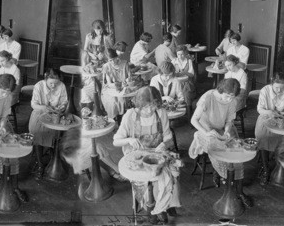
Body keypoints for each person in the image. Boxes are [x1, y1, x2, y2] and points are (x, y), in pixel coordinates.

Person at [113, 86, 181, 224]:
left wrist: (165, 144)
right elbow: (116, 141)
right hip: (137, 158)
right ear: (139, 104)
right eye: (145, 107)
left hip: (157, 154)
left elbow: (168, 137)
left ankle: (163, 206)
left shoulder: (161, 113)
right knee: (145, 180)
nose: (150, 110)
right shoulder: (130, 115)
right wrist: (129, 140)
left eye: (153, 106)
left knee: (170, 174)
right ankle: (152, 208)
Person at [188, 78, 252, 207]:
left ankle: (239, 191)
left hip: (222, 129)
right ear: (220, 90)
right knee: (219, 150)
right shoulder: (207, 97)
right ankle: (228, 184)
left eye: (232, 97)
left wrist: (227, 131)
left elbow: (229, 121)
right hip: (205, 129)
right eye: (227, 96)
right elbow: (194, 120)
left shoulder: (232, 100)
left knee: (236, 151)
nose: (229, 99)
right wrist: (206, 132)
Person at [254, 73, 284, 186]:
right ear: (271, 84)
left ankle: (277, 164)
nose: (279, 90)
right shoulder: (265, 90)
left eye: (282, 88)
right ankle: (266, 169)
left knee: (283, 138)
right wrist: (271, 112)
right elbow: (260, 109)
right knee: (262, 136)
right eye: (276, 87)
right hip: (265, 117)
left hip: (281, 118)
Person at [28, 69, 68, 180]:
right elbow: (33, 104)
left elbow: (64, 101)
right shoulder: (38, 86)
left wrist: (62, 107)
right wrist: (44, 108)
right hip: (39, 112)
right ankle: (40, 163)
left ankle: (53, 158)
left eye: (56, 83)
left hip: (55, 114)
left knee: (56, 133)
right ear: (45, 79)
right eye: (51, 83)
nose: (54, 86)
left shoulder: (62, 86)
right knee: (36, 133)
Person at [101, 48, 130, 121]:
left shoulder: (125, 63)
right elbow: (109, 84)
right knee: (112, 102)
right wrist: (117, 85)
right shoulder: (106, 66)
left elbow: (130, 77)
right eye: (110, 60)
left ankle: (123, 120)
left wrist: (125, 82)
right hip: (111, 88)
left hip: (124, 87)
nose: (112, 61)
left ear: (117, 56)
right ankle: (115, 121)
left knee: (122, 100)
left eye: (114, 59)